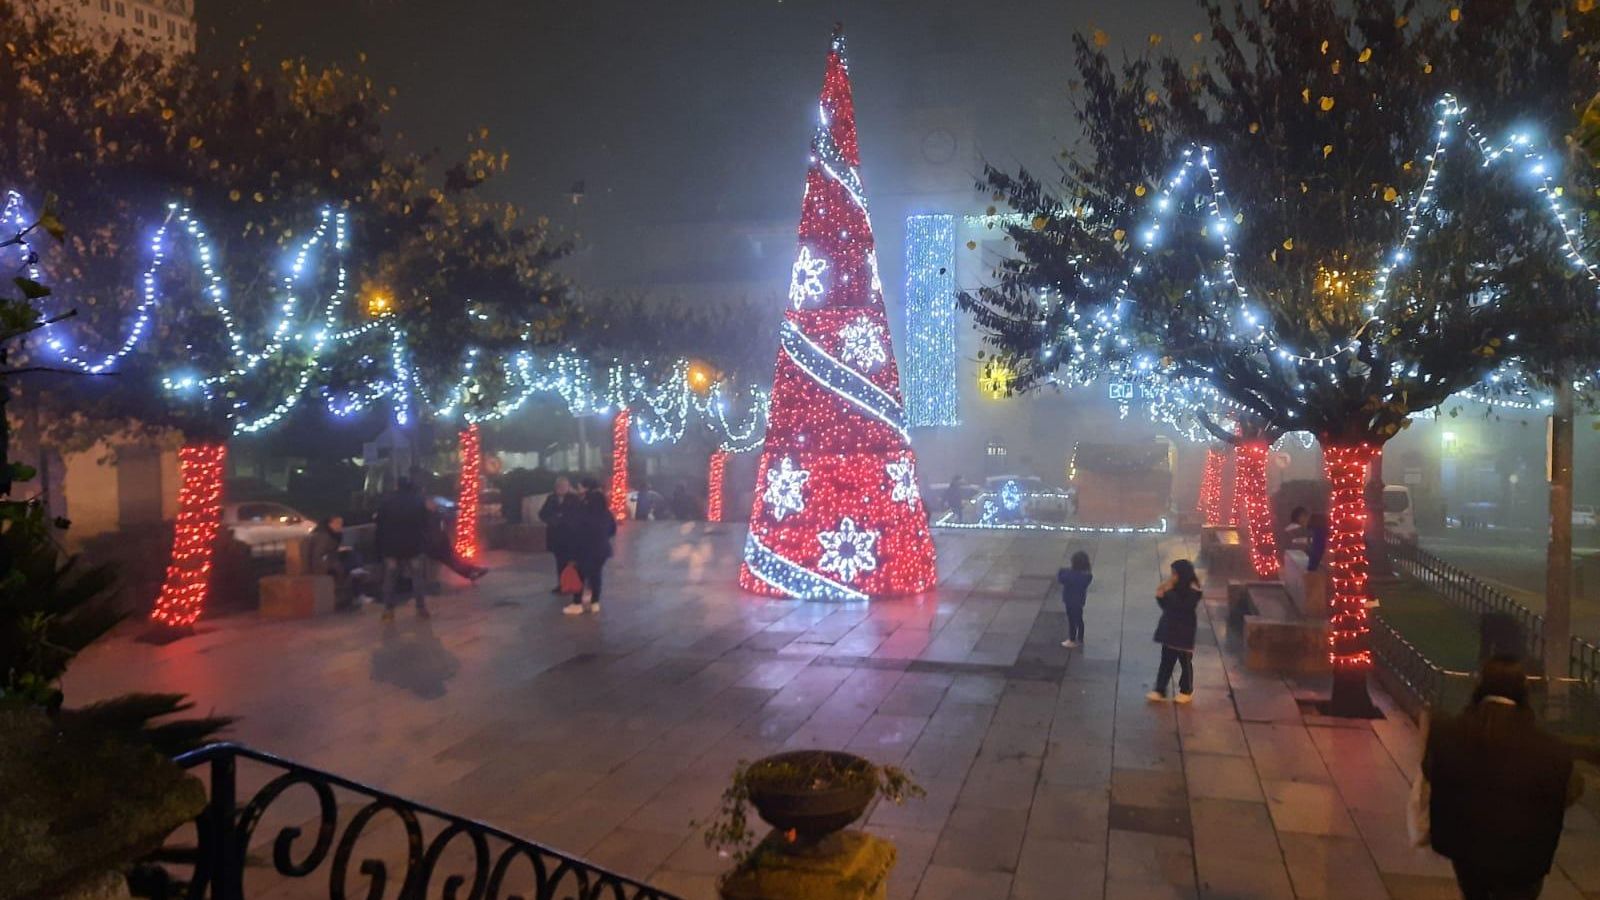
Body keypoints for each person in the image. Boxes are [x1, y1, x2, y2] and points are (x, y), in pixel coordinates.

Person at [1424, 655, 1582, 899]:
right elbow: (1570, 790)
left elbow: (1433, 772)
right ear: (1524, 690)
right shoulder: (1551, 749)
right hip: (1525, 856)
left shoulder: (1448, 734)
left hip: (1466, 848)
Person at [374, 477, 431, 622]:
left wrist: (380, 545)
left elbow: (379, 525)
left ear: (396, 486)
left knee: (390, 578)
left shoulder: (387, 502)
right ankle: (421, 607)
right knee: (417, 577)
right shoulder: (417, 501)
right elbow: (425, 522)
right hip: (413, 546)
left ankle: (388, 610)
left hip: (391, 547)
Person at [1148, 559, 1202, 703]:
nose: (1172, 577)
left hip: (1184, 632)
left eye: (1175, 574)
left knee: (1185, 662)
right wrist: (1161, 596)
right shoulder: (1175, 588)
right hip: (1170, 629)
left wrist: (1169, 591)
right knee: (1166, 661)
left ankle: (1186, 690)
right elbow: (1168, 606)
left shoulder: (1193, 590)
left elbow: (1182, 606)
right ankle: (1160, 689)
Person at [565, 476, 617, 615]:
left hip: (584, 549)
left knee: (579, 574)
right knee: (596, 575)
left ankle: (577, 604)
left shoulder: (583, 510)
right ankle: (595, 602)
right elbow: (613, 530)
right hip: (602, 549)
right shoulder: (606, 512)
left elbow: (575, 529)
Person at [539, 476, 581, 594]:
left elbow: (577, 515)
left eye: (563, 486)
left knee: (572, 561)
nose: (561, 488)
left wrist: (565, 519)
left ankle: (574, 584)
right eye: (559, 486)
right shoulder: (551, 498)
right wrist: (553, 520)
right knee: (560, 561)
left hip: (571, 536)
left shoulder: (574, 499)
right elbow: (542, 513)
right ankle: (562, 584)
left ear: (568, 487)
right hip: (556, 536)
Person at [1057, 550, 1093, 648]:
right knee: (1079, 619)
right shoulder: (1087, 576)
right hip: (1079, 601)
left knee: (1071, 620)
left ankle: (1072, 639)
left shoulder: (1069, 575)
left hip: (1070, 601)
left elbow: (1061, 577)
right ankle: (1080, 638)